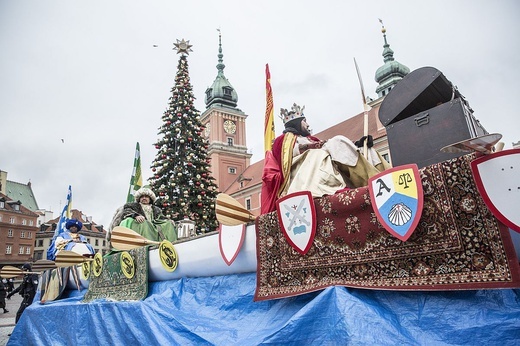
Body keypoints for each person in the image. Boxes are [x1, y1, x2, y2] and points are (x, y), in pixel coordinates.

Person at [261, 103, 391, 214]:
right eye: (304, 121)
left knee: (363, 148)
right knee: (334, 143)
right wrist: (313, 146)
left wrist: (356, 144)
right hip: (304, 176)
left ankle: (384, 177)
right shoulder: (283, 140)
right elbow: (287, 155)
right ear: (296, 123)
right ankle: (376, 183)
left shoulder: (312, 139)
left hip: (325, 163)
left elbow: (328, 145)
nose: (307, 124)